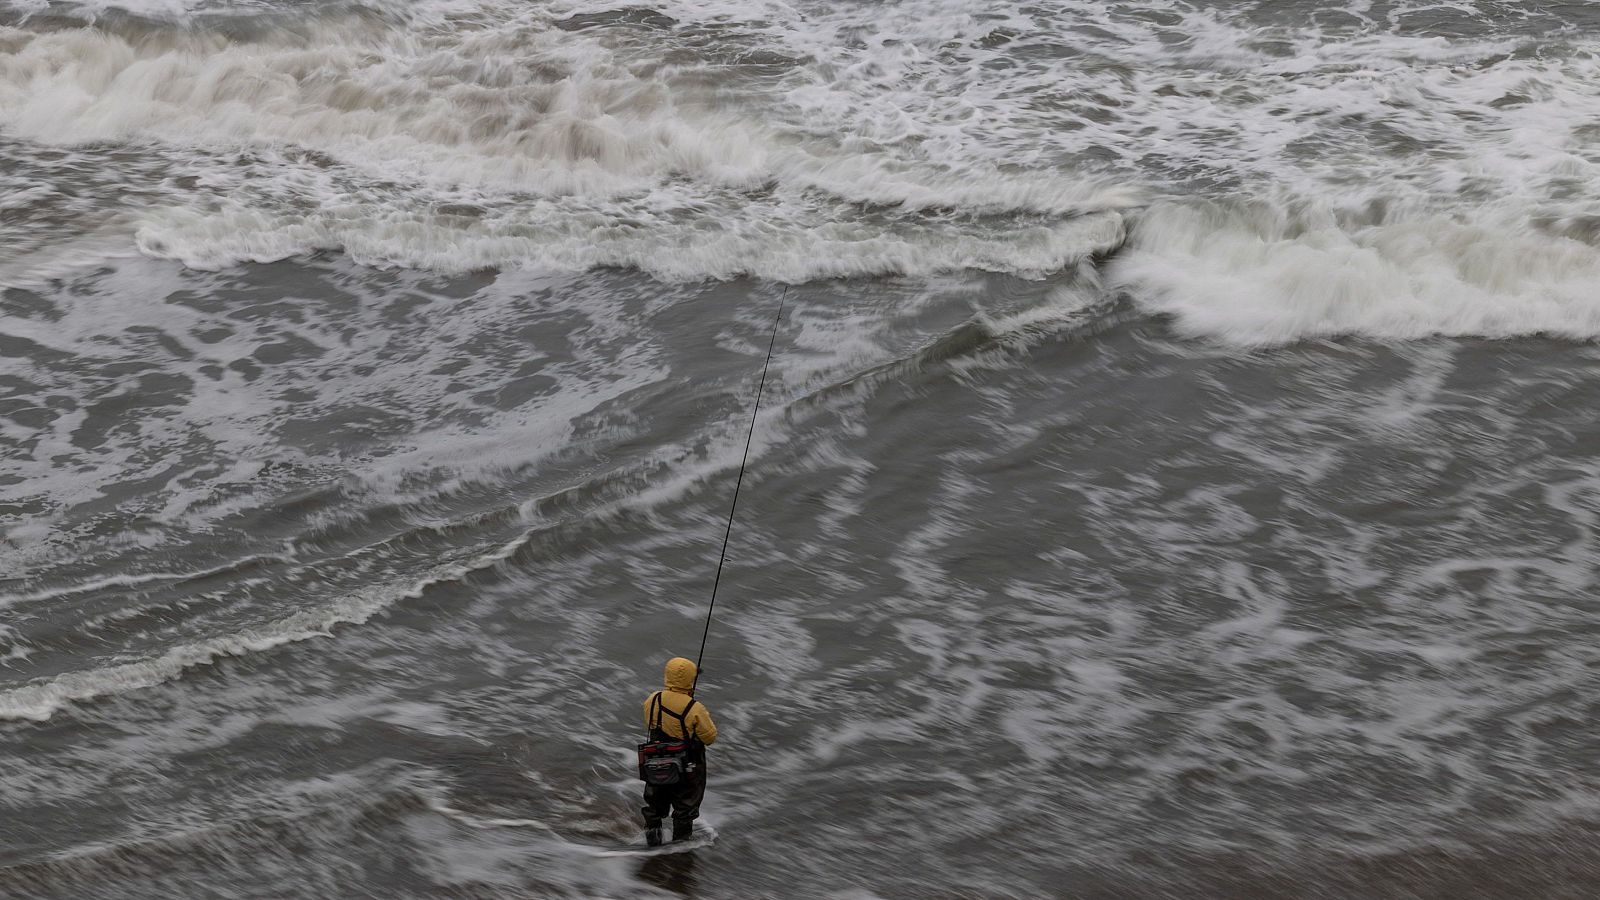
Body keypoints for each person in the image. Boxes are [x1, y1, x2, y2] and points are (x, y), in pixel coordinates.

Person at [640, 656, 718, 846]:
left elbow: (650, 722)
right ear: (690, 680)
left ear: (667, 675)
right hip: (686, 767)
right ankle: (680, 848)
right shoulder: (694, 708)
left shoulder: (653, 699)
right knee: (685, 808)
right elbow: (710, 738)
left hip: (655, 760)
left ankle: (653, 842)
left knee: (654, 803)